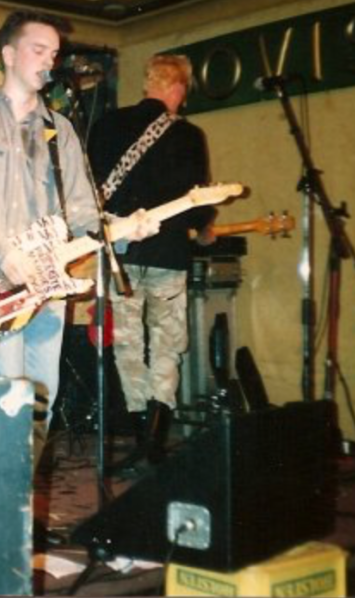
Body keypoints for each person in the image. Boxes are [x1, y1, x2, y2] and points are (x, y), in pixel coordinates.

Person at [0, 10, 158, 476]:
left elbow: (81, 209)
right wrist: (5, 253)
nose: (49, 61)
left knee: (43, 393)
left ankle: (21, 486)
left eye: (54, 53)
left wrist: (124, 227)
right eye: (38, 50)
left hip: (50, 283)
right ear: (9, 54)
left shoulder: (60, 129)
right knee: (5, 390)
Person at [87, 53, 214, 472]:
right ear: (176, 89)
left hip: (120, 255)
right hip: (167, 255)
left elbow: (89, 190)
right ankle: (156, 442)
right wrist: (204, 227)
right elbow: (197, 202)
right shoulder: (188, 135)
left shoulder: (107, 125)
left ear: (148, 85)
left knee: (127, 345)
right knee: (167, 344)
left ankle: (141, 434)